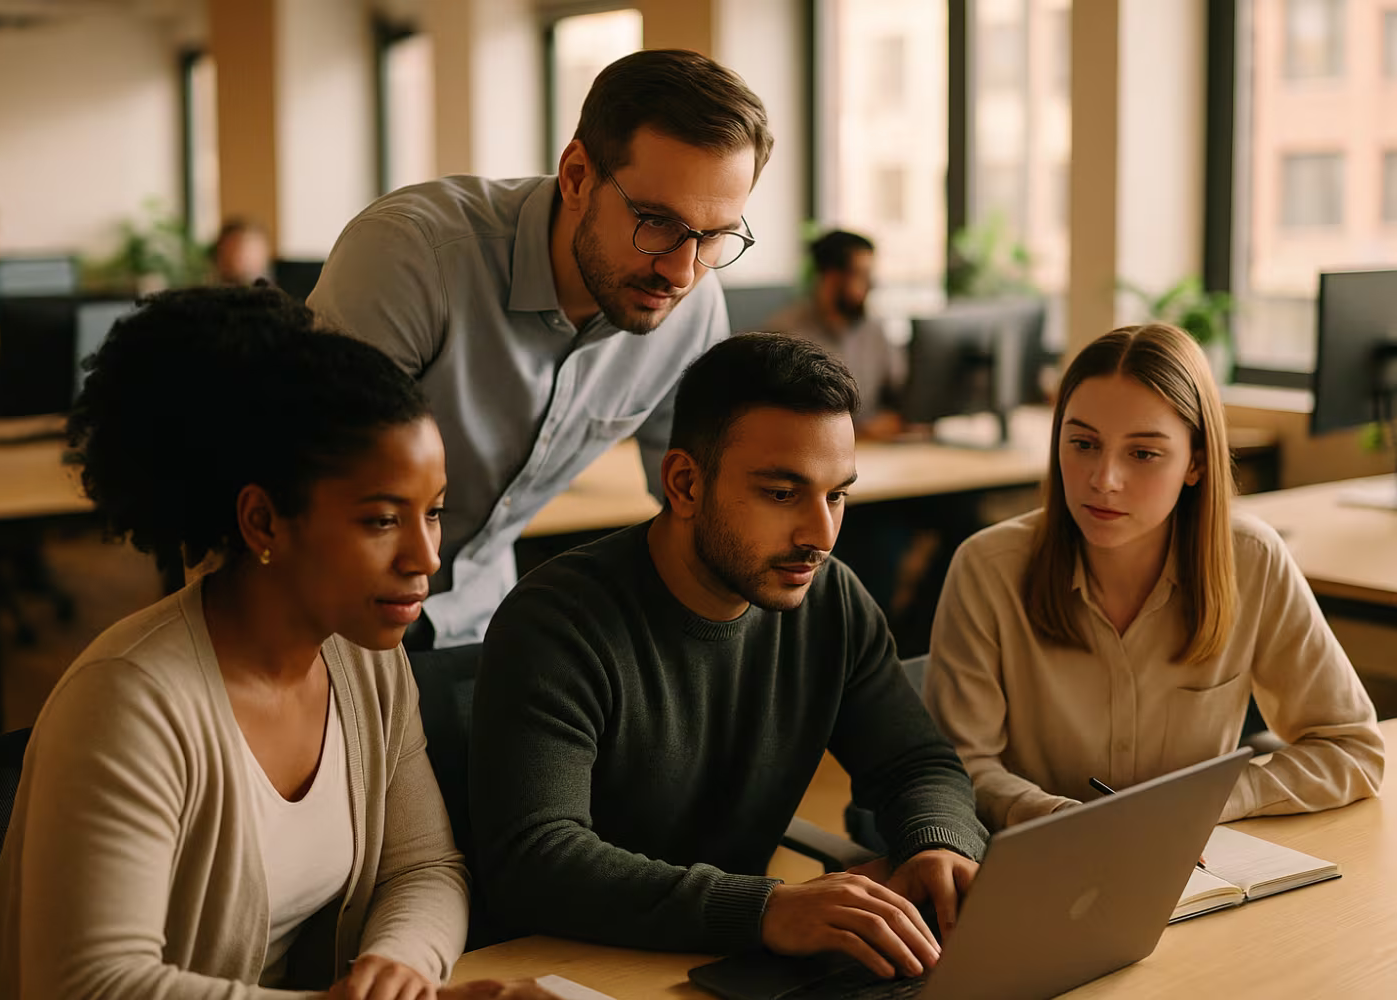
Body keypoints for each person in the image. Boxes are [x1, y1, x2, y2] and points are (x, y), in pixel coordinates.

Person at [0, 287, 549, 1000]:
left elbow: (423, 866)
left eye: (434, 513)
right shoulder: (129, 699)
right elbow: (92, 984)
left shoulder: (367, 660)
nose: (426, 556)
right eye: (382, 521)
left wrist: (400, 970)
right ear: (264, 522)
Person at [470, 334, 989, 981]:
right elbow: (535, 859)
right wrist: (764, 908)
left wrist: (938, 843)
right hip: (563, 969)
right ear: (685, 483)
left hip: (724, 959)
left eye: (836, 495)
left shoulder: (830, 600)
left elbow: (916, 763)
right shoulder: (558, 620)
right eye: (781, 493)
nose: (821, 535)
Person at [308, 49, 772, 649]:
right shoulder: (414, 256)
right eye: (655, 221)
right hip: (330, 613)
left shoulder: (692, 309)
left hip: (477, 623)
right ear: (578, 176)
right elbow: (318, 480)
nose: (681, 272)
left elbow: (693, 513)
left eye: (714, 237)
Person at [923, 323, 1384, 832]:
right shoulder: (988, 569)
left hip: (1196, 867)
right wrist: (1057, 818)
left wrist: (1215, 798)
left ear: (1196, 462)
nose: (1103, 480)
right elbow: (959, 769)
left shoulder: (1251, 559)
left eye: (1143, 453)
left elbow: (1352, 747)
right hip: (1036, 870)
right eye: (1083, 444)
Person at [767, 230, 904, 441]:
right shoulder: (784, 336)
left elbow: (900, 388)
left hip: (876, 449)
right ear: (831, 278)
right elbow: (777, 421)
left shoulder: (874, 329)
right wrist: (858, 433)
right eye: (862, 274)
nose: (871, 285)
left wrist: (895, 416)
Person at [212, 217, 273, 287]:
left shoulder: (286, 283)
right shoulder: (205, 290)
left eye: (250, 251)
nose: (238, 259)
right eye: (233, 250)